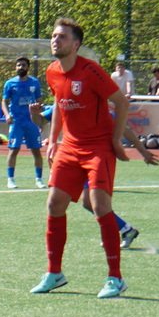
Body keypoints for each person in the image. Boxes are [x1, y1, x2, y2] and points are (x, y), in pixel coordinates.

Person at [31, 17, 130, 299]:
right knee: (54, 203)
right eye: (54, 35)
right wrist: (53, 139)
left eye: (62, 36)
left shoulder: (91, 71)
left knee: (99, 205)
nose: (55, 40)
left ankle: (115, 278)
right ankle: (54, 273)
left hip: (98, 147)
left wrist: (115, 140)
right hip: (70, 147)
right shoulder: (52, 71)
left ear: (76, 44)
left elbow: (122, 103)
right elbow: (59, 104)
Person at [30, 102, 154, 248]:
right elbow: (40, 121)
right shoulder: (65, 103)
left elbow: (124, 129)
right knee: (87, 203)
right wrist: (33, 113)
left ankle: (120, 232)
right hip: (73, 159)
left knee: (95, 203)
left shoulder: (97, 109)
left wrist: (142, 151)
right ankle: (124, 230)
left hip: (96, 160)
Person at [1, 56, 45, 189]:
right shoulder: (10, 83)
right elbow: (4, 101)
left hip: (31, 122)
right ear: (16, 67)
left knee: (36, 150)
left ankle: (39, 179)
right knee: (14, 149)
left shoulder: (34, 83)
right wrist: (7, 115)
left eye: (23, 65)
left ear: (28, 67)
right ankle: (10, 179)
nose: (21, 67)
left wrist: (39, 115)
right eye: (18, 65)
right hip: (17, 122)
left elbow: (39, 100)